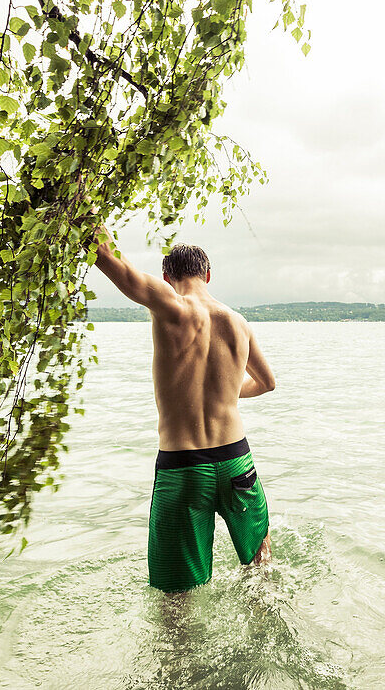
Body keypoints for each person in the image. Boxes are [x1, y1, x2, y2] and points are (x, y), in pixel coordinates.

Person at [90, 226, 276, 592]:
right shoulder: (238, 323)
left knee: (176, 599)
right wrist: (223, 393)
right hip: (238, 463)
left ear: (167, 278)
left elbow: (113, 261)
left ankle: (179, 651)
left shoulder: (171, 304)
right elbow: (268, 383)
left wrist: (80, 206)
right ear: (208, 275)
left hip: (184, 469)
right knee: (260, 568)